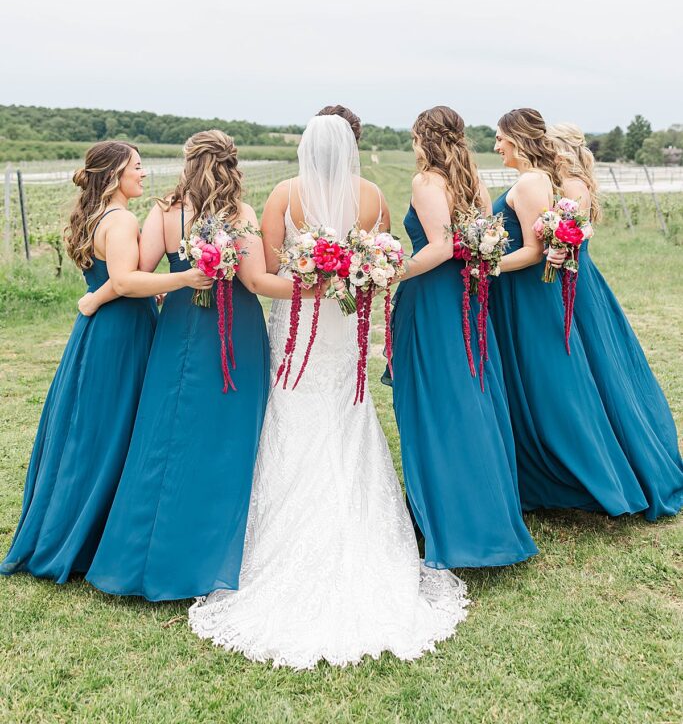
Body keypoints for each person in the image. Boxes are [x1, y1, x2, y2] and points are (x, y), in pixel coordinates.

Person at [189, 115, 469, 669]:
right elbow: (383, 261)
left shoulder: (285, 197)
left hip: (300, 320)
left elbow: (266, 273)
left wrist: (308, 283)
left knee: (294, 411)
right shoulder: (371, 197)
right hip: (345, 326)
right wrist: (346, 278)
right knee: (348, 411)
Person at [86, 130, 309, 601]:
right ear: (232, 165)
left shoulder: (166, 211)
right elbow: (256, 281)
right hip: (236, 332)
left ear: (188, 164)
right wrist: (313, 287)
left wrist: (177, 279)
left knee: (167, 433)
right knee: (228, 437)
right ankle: (214, 554)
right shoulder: (240, 214)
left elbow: (140, 273)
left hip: (181, 329)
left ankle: (141, 556)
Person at [1, 142, 209, 582]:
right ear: (115, 173)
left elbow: (117, 280)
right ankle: (83, 539)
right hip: (120, 334)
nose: (144, 173)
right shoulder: (121, 220)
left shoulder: (97, 215)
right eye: (136, 166)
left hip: (104, 330)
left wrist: (102, 296)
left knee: (91, 428)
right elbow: (125, 279)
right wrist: (183, 278)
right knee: (111, 428)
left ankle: (85, 530)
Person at [389, 106, 538, 568]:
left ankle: (454, 521)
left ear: (423, 139)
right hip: (469, 294)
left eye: (415, 137)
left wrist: (392, 272)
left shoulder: (427, 182)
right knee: (471, 392)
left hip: (434, 296)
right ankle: (480, 509)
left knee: (436, 399)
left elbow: (440, 245)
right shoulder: (472, 179)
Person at [489, 108, 648, 516]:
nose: (495, 146)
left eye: (500, 138)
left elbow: (549, 244)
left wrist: (486, 263)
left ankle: (588, 467)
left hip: (549, 283)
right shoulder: (546, 181)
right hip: (535, 285)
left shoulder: (546, 182)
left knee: (576, 373)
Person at [546, 122, 683, 520]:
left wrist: (557, 243)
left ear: (561, 149)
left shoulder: (572, 184)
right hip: (573, 274)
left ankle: (630, 459)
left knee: (598, 365)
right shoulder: (568, 180)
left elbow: (575, 233)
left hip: (575, 279)